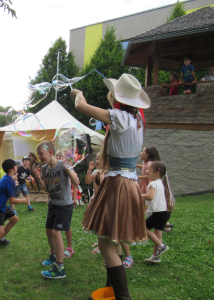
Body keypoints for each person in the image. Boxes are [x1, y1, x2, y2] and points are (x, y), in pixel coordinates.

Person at [71, 73, 150, 299]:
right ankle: (111, 292)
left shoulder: (118, 117)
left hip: (118, 183)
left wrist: (80, 94)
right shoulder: (136, 120)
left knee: (106, 244)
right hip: (128, 182)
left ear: (117, 97)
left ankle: (122, 297)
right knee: (111, 239)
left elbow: (81, 106)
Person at [34, 141, 79, 279]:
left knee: (56, 232)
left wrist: (68, 169)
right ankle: (54, 255)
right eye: (38, 154)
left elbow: (76, 183)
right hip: (53, 203)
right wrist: (38, 179)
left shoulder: (62, 165)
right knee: (49, 231)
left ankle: (60, 268)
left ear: (51, 152)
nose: (39, 157)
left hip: (64, 204)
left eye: (41, 154)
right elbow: (47, 188)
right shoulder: (44, 169)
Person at [0, 159, 29, 248]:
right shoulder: (9, 180)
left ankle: (1, 239)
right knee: (0, 232)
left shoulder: (7, 178)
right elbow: (12, 201)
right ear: (14, 168)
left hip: (1, 205)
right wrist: (24, 200)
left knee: (14, 219)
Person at [142, 161, 173, 265]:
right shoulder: (160, 182)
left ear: (156, 173)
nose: (146, 170)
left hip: (158, 213)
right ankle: (155, 257)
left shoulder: (152, 183)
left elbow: (150, 196)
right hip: (165, 213)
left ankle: (162, 246)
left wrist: (137, 195)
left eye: (149, 169)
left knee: (143, 228)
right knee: (157, 235)